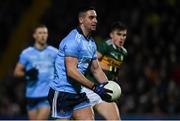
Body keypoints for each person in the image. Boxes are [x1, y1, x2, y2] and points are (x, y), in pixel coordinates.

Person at [48, 6, 113, 120]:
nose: (95, 21)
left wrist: (108, 88)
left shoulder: (91, 43)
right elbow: (71, 71)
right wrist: (94, 87)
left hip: (78, 92)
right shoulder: (73, 40)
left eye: (96, 18)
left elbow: (96, 69)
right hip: (62, 93)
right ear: (81, 20)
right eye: (91, 17)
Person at [84, 21, 128, 120]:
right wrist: (112, 68)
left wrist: (115, 84)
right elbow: (92, 63)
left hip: (105, 91)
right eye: (119, 34)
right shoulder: (105, 45)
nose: (122, 38)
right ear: (111, 35)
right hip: (90, 88)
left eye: (124, 35)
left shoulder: (124, 53)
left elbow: (114, 72)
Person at [14, 24, 58, 120]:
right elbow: (16, 72)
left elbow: (62, 70)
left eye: (45, 33)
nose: (43, 35)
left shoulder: (54, 52)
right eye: (40, 33)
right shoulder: (26, 53)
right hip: (31, 95)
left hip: (47, 95)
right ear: (34, 35)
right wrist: (26, 74)